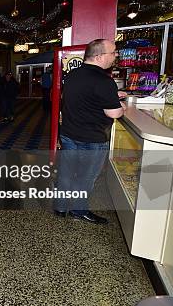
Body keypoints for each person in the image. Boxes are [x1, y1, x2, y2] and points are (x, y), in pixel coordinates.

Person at [54, 39, 126, 224]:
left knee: (66, 172)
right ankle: (79, 210)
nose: (115, 56)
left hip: (69, 134)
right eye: (113, 53)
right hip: (92, 139)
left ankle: (60, 207)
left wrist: (110, 96)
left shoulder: (72, 75)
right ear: (99, 56)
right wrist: (122, 106)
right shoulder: (104, 81)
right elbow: (114, 113)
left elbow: (84, 97)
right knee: (86, 177)